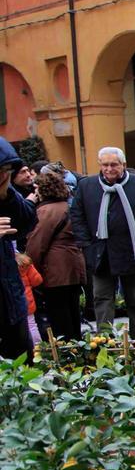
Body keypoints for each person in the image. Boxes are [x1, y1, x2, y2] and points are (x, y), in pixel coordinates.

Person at [70, 146, 135, 338]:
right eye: (105, 165)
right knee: (102, 299)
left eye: (114, 165)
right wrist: (86, 245)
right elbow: (77, 217)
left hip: (133, 253)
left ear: (124, 165)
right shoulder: (87, 186)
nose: (109, 169)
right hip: (100, 254)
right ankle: (105, 340)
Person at [25, 170, 84, 341]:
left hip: (55, 271)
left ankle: (66, 356)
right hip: (73, 267)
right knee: (73, 314)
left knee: (60, 317)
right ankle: (77, 351)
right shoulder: (68, 206)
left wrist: (31, 270)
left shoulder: (45, 211)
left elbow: (37, 244)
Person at [0, 140, 36, 358]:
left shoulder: (6, 191)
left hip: (10, 299)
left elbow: (26, 223)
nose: (3, 176)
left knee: (22, 368)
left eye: (5, 171)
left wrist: (7, 195)